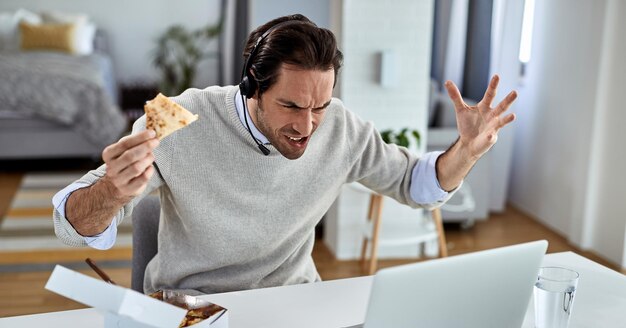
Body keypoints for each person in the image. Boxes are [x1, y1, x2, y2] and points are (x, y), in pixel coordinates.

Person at [53, 14, 517, 295]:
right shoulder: (179, 114)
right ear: (252, 87)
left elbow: (415, 184)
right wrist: (112, 191)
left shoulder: (338, 126)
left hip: (293, 305)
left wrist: (467, 152)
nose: (309, 125)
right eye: (291, 106)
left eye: (320, 104)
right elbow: (69, 225)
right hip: (191, 310)